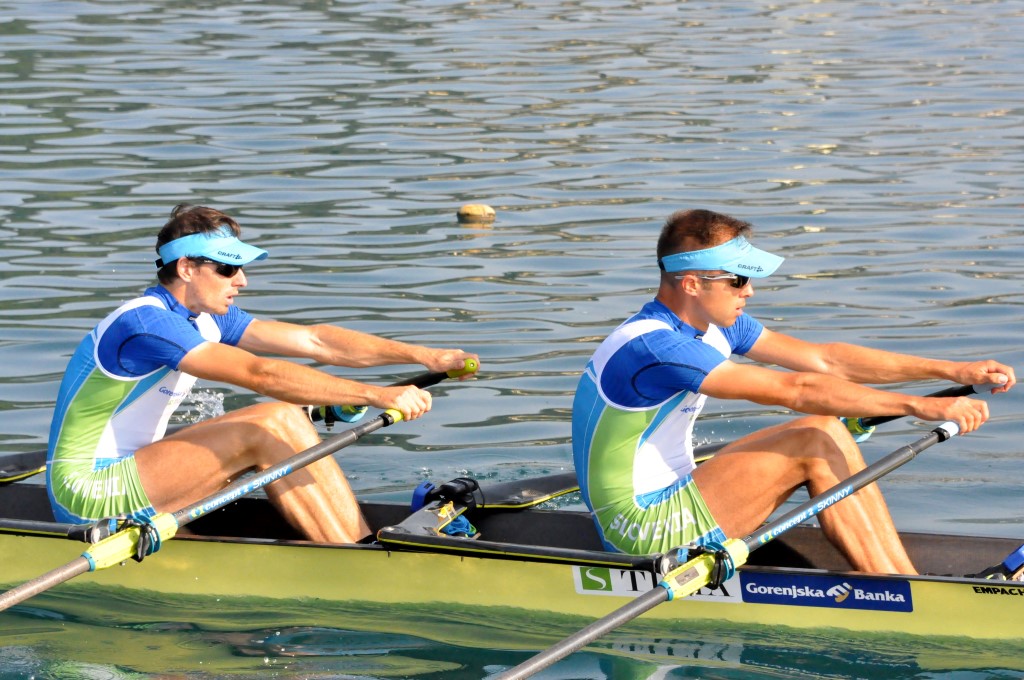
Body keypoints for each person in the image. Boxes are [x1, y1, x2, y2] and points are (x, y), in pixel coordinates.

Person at [571, 208, 1015, 575]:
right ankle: (902, 591)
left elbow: (827, 361)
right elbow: (795, 389)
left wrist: (952, 369)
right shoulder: (656, 347)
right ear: (691, 284)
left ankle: (899, 577)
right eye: (738, 280)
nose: (750, 291)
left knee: (825, 428)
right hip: (639, 531)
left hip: (675, 493)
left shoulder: (714, 323)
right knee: (815, 438)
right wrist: (920, 406)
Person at [46, 204, 478, 544]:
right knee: (274, 421)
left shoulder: (206, 318)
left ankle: (359, 543)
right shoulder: (146, 322)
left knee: (283, 419)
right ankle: (356, 560)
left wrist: (425, 355)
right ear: (186, 269)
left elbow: (317, 342)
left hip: (136, 475)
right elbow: (260, 374)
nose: (242, 281)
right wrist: (377, 396)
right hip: (87, 492)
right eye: (227, 269)